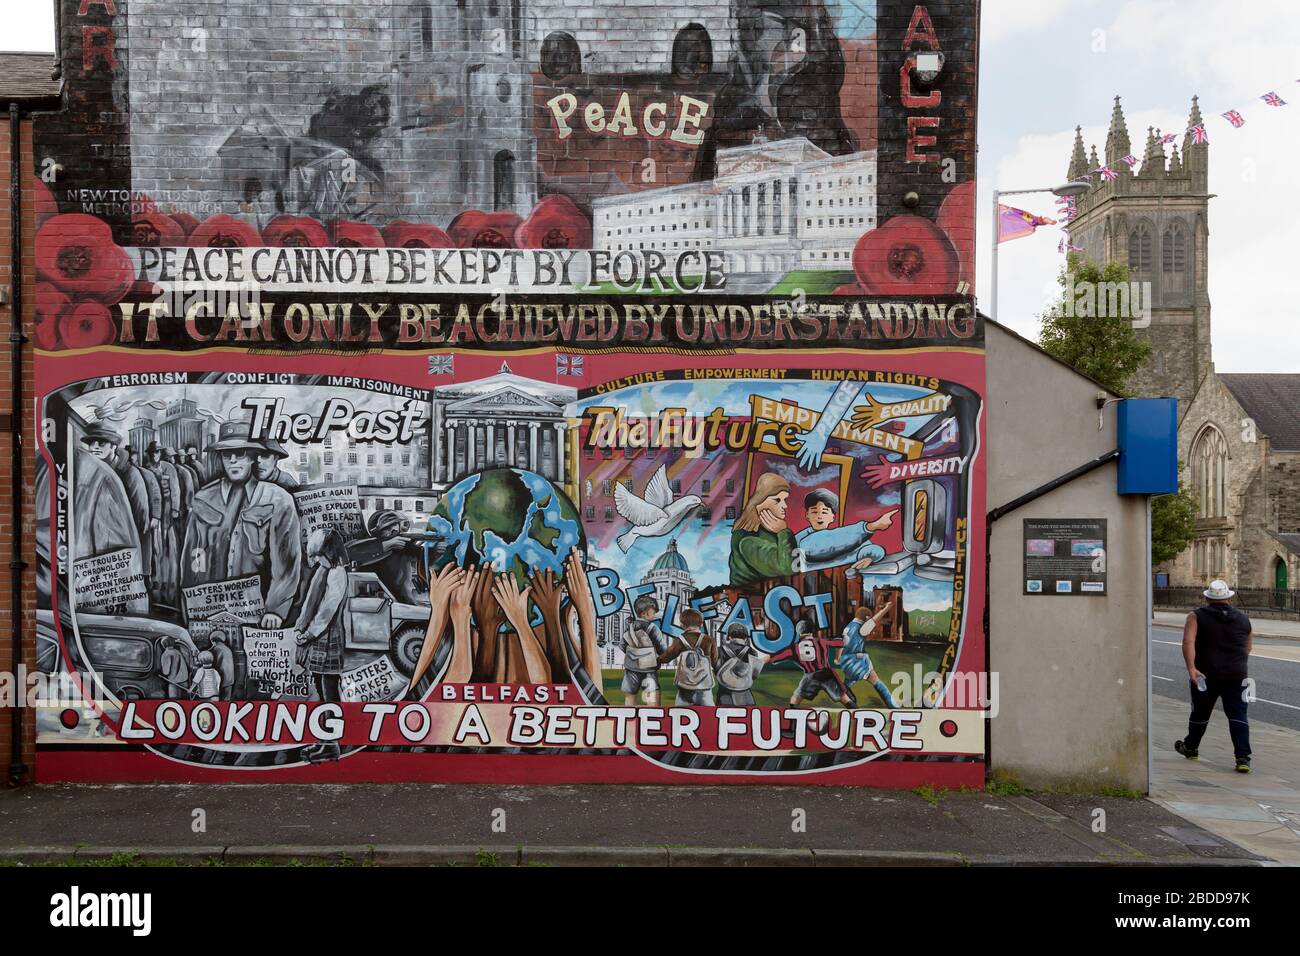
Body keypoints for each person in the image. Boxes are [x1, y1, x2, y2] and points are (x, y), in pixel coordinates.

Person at [182, 420, 303, 627]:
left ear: (252, 457)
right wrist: (191, 605)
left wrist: (275, 609)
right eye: (227, 454)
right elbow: (195, 555)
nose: (234, 460)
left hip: (258, 615)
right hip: (209, 610)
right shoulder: (204, 498)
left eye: (241, 454)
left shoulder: (277, 499)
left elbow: (286, 561)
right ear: (220, 457)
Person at [1176, 581, 1254, 773]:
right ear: (1229, 597)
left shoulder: (1196, 616)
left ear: (1207, 597)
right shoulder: (1244, 619)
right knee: (1238, 715)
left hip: (1205, 674)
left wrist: (1192, 668)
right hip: (1237, 675)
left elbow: (1188, 642)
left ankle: (1191, 747)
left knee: (1200, 713)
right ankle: (1243, 758)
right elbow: (1248, 647)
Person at [294, 528, 350, 762]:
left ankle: (332, 744)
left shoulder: (337, 574)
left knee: (329, 693)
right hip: (320, 637)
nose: (316, 559)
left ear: (329, 552)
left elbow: (327, 611)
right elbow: (311, 604)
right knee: (321, 690)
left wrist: (307, 634)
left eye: (318, 554)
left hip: (326, 637)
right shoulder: (324, 571)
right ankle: (325, 741)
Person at [792, 489, 896, 574]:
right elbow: (819, 545)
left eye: (824, 512)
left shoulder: (844, 539)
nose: (819, 516)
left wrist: (870, 557)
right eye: (814, 512)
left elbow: (871, 548)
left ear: (832, 517)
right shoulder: (800, 540)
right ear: (807, 515)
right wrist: (870, 527)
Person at [728, 472, 795, 589]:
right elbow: (789, 568)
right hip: (752, 601)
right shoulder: (747, 539)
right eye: (777, 500)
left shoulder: (769, 532)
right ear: (760, 502)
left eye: (785, 500)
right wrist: (783, 532)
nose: (785, 506)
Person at [839, 605, 900, 707]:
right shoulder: (860, 627)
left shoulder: (848, 626)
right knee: (877, 682)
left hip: (845, 661)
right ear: (866, 618)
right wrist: (885, 609)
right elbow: (873, 622)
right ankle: (894, 707)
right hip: (857, 661)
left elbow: (842, 644)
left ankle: (848, 701)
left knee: (847, 684)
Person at [658, 608, 717, 706]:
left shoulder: (679, 640)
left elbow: (666, 657)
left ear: (682, 624)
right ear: (701, 624)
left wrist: (657, 659)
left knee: (680, 713)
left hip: (684, 685)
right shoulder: (709, 640)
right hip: (704, 685)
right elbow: (715, 660)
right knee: (709, 714)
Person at [621, 594, 668, 706]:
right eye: (653, 612)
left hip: (631, 667)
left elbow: (623, 645)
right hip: (649, 668)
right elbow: (662, 648)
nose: (654, 614)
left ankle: (629, 716)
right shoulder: (653, 628)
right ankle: (653, 716)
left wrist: (634, 653)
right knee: (651, 696)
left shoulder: (630, 627)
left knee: (630, 695)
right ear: (645, 613)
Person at [715, 622, 770, 706]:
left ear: (729, 636)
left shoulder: (719, 650)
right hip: (745, 694)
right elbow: (754, 675)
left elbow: (717, 671)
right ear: (745, 637)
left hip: (725, 694)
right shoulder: (752, 652)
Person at [159, 634, 191, 700]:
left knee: (174, 702)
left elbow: (166, 672)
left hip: (174, 683)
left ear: (163, 644)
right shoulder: (177, 652)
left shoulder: (166, 654)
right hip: (184, 681)